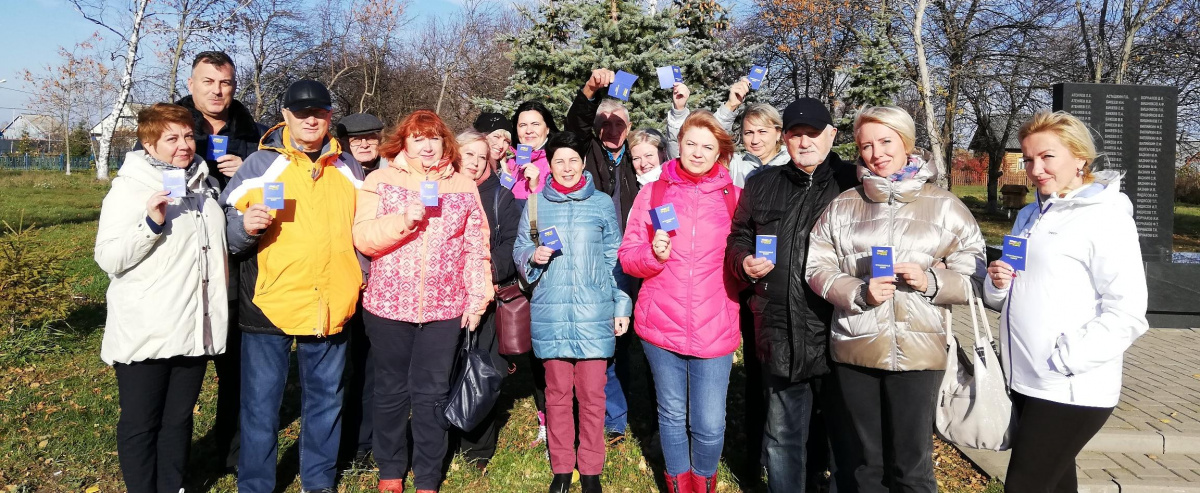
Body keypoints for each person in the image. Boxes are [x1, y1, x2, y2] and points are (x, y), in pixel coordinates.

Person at [805, 106, 986, 493]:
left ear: (906, 143)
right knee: (865, 467)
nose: (876, 153)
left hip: (921, 352)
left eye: (886, 141)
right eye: (866, 145)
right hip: (857, 349)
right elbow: (816, 267)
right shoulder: (844, 205)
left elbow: (976, 274)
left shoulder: (945, 205)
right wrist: (857, 292)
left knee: (912, 468)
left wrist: (932, 280)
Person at [986, 111, 1148, 493]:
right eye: (1027, 159)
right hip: (1025, 378)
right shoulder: (1028, 214)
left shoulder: (1105, 217)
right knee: (1056, 486)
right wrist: (997, 284)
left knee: (1024, 486)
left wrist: (1066, 360)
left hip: (1069, 386)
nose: (1035, 168)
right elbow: (1009, 294)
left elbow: (1128, 311)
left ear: (1080, 158)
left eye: (1047, 157)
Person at [220, 79, 364, 493]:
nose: (310, 119)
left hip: (331, 303)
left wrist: (360, 279)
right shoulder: (259, 165)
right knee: (261, 407)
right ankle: (256, 485)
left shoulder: (347, 167)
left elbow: (362, 231)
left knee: (326, 403)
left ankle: (318, 484)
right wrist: (245, 228)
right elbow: (226, 232)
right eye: (301, 113)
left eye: (318, 112)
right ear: (285, 116)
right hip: (270, 303)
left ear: (329, 117)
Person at [353, 110, 493, 493]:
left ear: (445, 143)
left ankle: (428, 476)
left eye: (433, 138)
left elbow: (475, 247)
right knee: (390, 391)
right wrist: (403, 219)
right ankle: (391, 470)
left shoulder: (463, 185)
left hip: (444, 309)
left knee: (432, 394)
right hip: (387, 305)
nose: (427, 145)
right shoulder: (379, 180)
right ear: (404, 143)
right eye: (417, 138)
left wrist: (477, 299)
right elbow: (363, 237)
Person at [725, 98, 861, 493]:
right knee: (783, 433)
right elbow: (739, 235)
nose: (804, 142)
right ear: (784, 138)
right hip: (779, 326)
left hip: (836, 329)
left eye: (813, 134)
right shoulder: (763, 183)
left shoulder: (851, 182)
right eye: (796, 134)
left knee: (840, 434)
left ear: (831, 135)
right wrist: (743, 262)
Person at [95, 102, 230, 493]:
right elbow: (109, 258)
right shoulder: (129, 189)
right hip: (148, 326)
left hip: (193, 323)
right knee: (141, 421)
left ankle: (172, 485)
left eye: (188, 136)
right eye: (171, 138)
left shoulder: (202, 185)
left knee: (178, 419)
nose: (183, 145)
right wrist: (150, 223)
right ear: (149, 143)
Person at [618, 110, 741, 493]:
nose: (698, 152)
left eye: (708, 146)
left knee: (709, 422)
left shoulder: (734, 198)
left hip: (714, 324)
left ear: (720, 150)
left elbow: (742, 257)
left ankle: (702, 484)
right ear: (679, 145)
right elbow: (628, 255)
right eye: (691, 144)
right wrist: (653, 255)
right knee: (671, 414)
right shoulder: (654, 191)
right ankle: (678, 486)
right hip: (661, 323)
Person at [513, 131, 632, 493]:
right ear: (550, 164)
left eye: (573, 160)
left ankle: (591, 469)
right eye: (559, 160)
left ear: (583, 163)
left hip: (595, 312)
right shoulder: (534, 204)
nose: (566, 167)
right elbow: (520, 249)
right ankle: (563, 468)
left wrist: (621, 304)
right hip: (551, 312)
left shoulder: (599, 204)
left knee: (594, 396)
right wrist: (531, 257)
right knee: (557, 396)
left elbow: (615, 257)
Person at [178, 50, 265, 474]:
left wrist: (246, 170)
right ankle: (175, 460)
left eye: (225, 82)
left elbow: (274, 189)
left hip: (239, 269)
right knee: (183, 375)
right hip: (185, 272)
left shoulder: (255, 135)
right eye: (208, 81)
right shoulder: (172, 128)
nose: (217, 90)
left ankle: (231, 453)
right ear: (192, 83)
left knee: (237, 374)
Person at [565, 68, 642, 442]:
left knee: (634, 344)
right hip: (598, 263)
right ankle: (614, 419)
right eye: (605, 124)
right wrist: (591, 90)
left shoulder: (639, 157)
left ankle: (640, 408)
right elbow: (576, 125)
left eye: (619, 123)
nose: (612, 130)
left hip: (638, 260)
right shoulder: (587, 151)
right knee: (606, 341)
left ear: (629, 126)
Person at [449, 129, 523, 471]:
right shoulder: (441, 190)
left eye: (482, 156)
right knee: (445, 371)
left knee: (483, 373)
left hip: (488, 298)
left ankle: (477, 447)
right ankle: (443, 438)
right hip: (445, 300)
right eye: (469, 154)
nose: (476, 162)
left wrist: (483, 274)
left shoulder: (501, 197)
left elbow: (510, 245)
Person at [333, 111, 386, 465]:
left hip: (379, 284)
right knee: (336, 370)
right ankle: (337, 441)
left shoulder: (393, 174)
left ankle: (365, 443)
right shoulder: (335, 173)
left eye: (371, 137)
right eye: (357, 139)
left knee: (371, 367)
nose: (364, 143)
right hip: (339, 280)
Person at [666, 79, 790, 187]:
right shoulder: (732, 165)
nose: (755, 140)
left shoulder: (793, 163)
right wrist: (731, 105)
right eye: (748, 133)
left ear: (778, 133)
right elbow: (689, 152)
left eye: (762, 132)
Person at [503, 101, 559, 200]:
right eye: (523, 125)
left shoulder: (558, 161)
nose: (529, 131)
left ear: (547, 129)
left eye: (535, 124)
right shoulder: (510, 163)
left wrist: (536, 187)